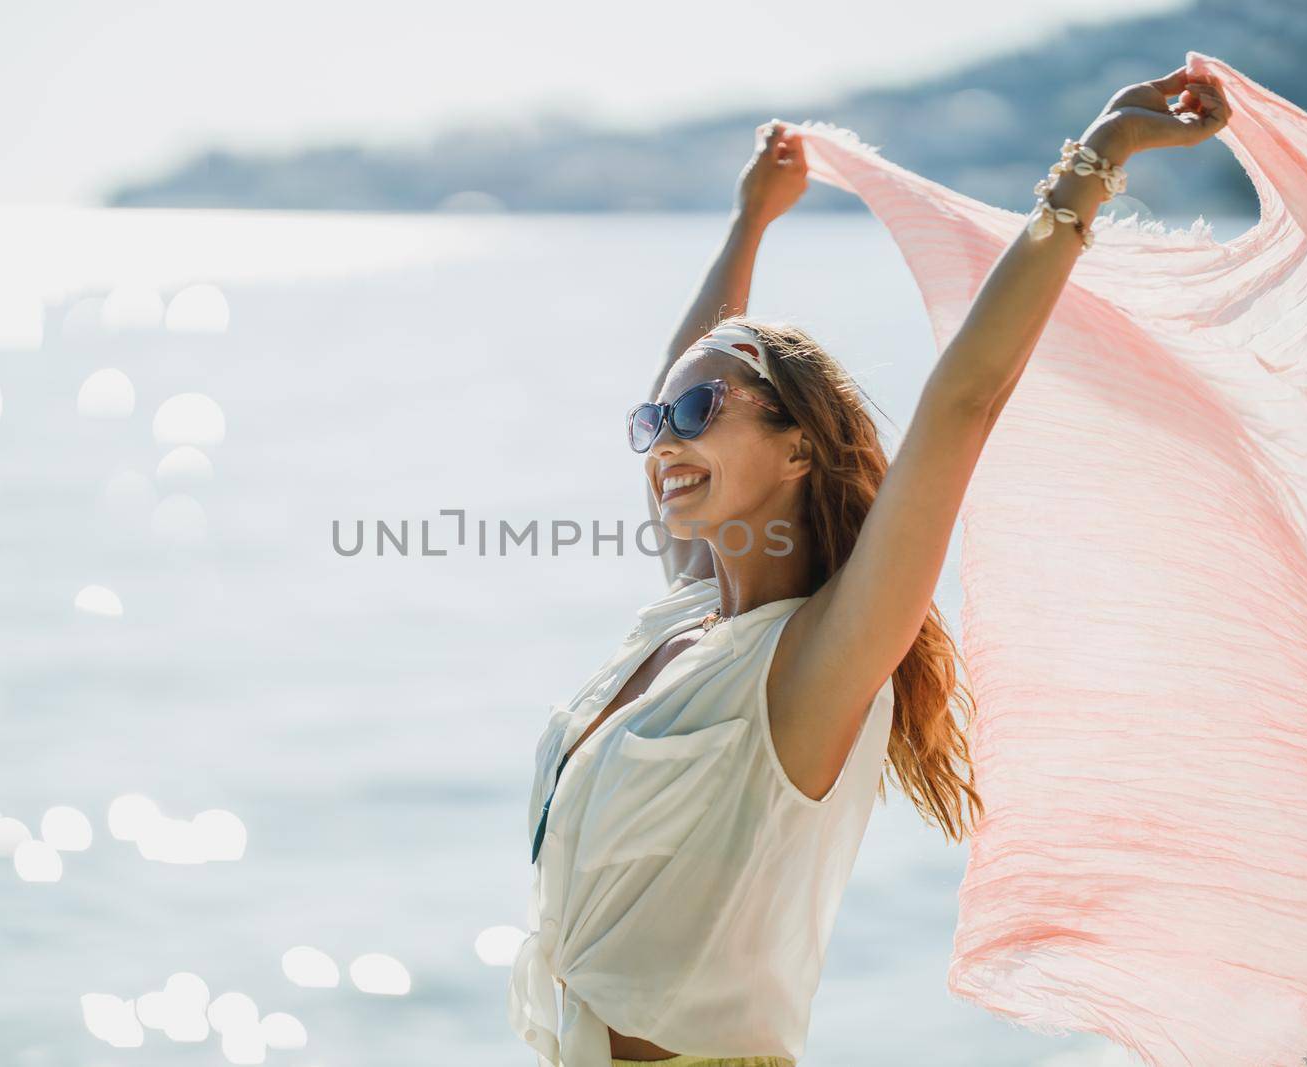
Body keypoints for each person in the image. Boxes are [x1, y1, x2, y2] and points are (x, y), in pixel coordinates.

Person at [509, 64, 1231, 1067]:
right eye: (650, 423)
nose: (661, 441)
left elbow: (963, 402)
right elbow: (691, 361)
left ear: (798, 447)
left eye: (693, 415)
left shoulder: (811, 663)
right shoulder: (685, 621)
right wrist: (748, 221)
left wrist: (1095, 159)